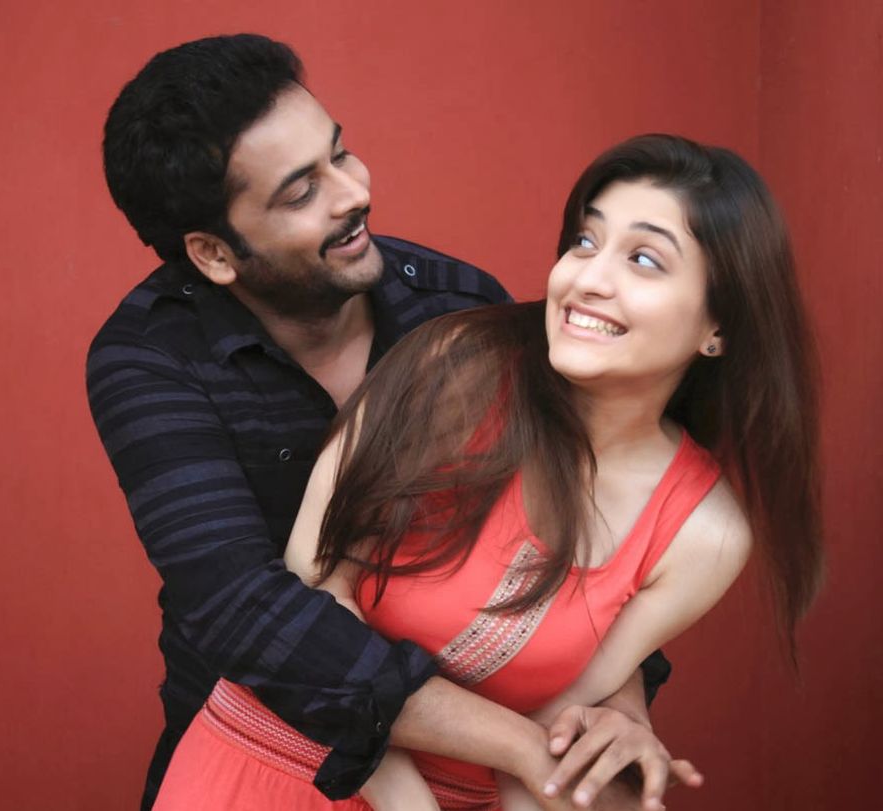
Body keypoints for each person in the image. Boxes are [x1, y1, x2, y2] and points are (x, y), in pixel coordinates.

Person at [88, 34, 680, 811]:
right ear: (215, 253)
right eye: (301, 193)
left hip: (484, 771)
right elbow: (246, 609)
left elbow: (586, 524)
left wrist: (621, 708)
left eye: (340, 153)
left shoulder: (458, 307)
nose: (353, 192)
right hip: (258, 755)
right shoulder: (150, 358)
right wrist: (519, 745)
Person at [150, 133, 824, 811]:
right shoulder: (456, 369)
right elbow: (317, 588)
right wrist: (408, 801)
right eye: (585, 241)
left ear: (717, 327)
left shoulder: (704, 533)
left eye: (643, 259)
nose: (587, 278)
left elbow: (549, 741)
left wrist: (615, 733)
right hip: (269, 767)